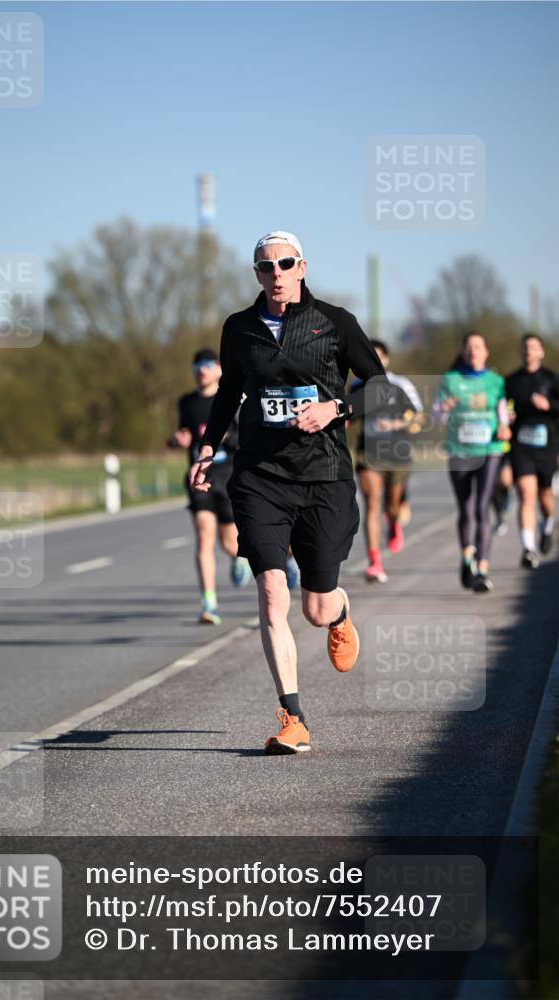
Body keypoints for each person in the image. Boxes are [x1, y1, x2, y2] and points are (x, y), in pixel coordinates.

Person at [189, 230, 387, 754]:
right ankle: (293, 717)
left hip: (323, 475)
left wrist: (335, 409)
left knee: (315, 609)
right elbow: (229, 392)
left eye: (284, 263)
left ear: (302, 267)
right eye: (264, 265)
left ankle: (339, 613)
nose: (274, 272)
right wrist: (207, 450)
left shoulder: (335, 323)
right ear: (256, 274)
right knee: (273, 591)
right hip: (260, 477)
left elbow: (382, 387)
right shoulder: (240, 328)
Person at [169, 348, 251, 625]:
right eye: (197, 365)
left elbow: (246, 437)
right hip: (199, 477)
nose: (201, 370)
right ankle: (209, 602)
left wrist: (227, 439)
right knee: (204, 537)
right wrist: (176, 441)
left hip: (227, 477)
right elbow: (184, 435)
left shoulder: (232, 398)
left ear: (219, 369)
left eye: (207, 364)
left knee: (231, 542)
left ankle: (242, 557)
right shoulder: (187, 403)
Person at [436, 331, 511, 593]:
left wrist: (504, 426)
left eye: (478, 346)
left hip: (490, 448)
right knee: (466, 507)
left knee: (482, 506)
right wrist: (444, 409)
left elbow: (503, 411)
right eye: (468, 346)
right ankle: (467, 557)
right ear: (464, 351)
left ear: (486, 351)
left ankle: (483, 568)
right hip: (460, 450)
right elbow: (436, 418)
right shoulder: (451, 380)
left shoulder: (496, 381)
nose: (473, 351)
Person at [352, 339, 424, 583]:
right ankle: (374, 562)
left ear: (386, 359)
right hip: (368, 455)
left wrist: (395, 424)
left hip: (397, 454)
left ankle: (393, 521)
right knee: (372, 503)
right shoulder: (357, 385)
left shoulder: (400, 384)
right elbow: (347, 416)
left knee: (391, 506)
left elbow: (419, 417)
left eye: (379, 356)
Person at [505, 333, 559, 568]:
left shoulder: (551, 379)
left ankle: (548, 523)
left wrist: (550, 406)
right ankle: (528, 548)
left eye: (534, 347)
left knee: (545, 495)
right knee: (526, 494)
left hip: (547, 444)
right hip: (521, 445)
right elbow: (502, 408)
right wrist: (507, 416)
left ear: (541, 352)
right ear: (521, 351)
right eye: (525, 347)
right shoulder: (512, 381)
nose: (529, 351)